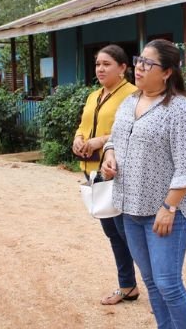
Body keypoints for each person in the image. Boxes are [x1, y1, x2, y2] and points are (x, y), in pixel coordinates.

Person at [101, 39, 186, 328]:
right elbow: (113, 140)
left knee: (168, 283)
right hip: (130, 210)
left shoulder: (180, 109)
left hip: (166, 213)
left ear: (167, 72)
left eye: (148, 63)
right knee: (152, 283)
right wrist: (109, 155)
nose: (139, 67)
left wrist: (169, 207)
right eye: (138, 60)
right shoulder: (129, 102)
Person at [71, 44, 140, 305]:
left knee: (128, 233)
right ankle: (128, 285)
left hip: (119, 173)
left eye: (107, 64)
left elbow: (134, 130)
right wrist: (79, 139)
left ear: (123, 68)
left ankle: (159, 287)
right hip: (94, 172)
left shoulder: (133, 95)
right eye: (98, 64)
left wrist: (101, 141)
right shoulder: (94, 96)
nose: (100, 69)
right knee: (112, 231)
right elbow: (83, 124)